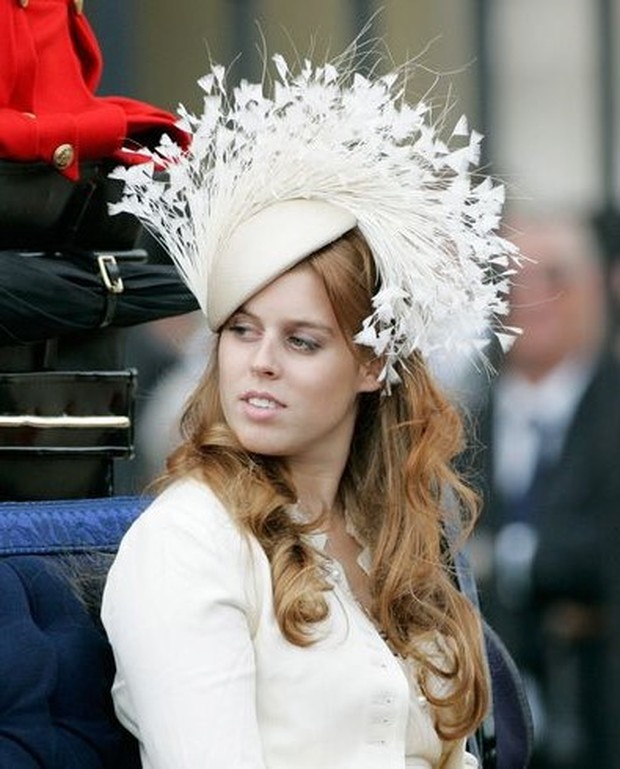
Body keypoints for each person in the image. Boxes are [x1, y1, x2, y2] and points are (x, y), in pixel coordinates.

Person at [101, 49, 522, 769]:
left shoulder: (395, 535)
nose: (260, 361)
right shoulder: (189, 541)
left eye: (301, 340)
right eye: (241, 330)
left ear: (371, 364)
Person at [468, 211, 620, 769]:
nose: (530, 297)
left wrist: (506, 560)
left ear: (596, 285)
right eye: (512, 280)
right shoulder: (454, 424)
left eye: (553, 276)